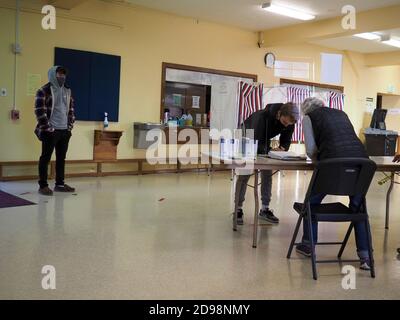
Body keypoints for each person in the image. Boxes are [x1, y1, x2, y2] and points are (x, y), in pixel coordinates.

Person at [296, 97, 372, 270]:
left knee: (310, 203)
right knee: (358, 208)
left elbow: (310, 149)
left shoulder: (309, 118)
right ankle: (366, 257)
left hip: (332, 164)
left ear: (306, 111)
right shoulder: (341, 114)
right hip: (361, 163)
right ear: (323, 106)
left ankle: (308, 245)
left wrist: (318, 162)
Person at [234, 102, 299, 225]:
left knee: (267, 173)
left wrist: (282, 148)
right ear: (279, 114)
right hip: (246, 137)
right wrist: (268, 152)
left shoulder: (290, 120)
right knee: (245, 174)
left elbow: (286, 140)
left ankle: (264, 209)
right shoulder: (262, 117)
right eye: (285, 123)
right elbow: (256, 140)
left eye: (289, 124)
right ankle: (238, 209)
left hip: (263, 140)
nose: (287, 125)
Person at [34, 66, 76, 196]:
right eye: (59, 74)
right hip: (50, 131)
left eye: (63, 75)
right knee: (45, 158)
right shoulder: (43, 90)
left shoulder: (68, 90)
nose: (62, 77)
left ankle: (60, 184)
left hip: (64, 131)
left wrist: (69, 126)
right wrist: (48, 128)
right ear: (53, 75)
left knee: (61, 158)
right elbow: (39, 111)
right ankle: (43, 186)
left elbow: (71, 109)